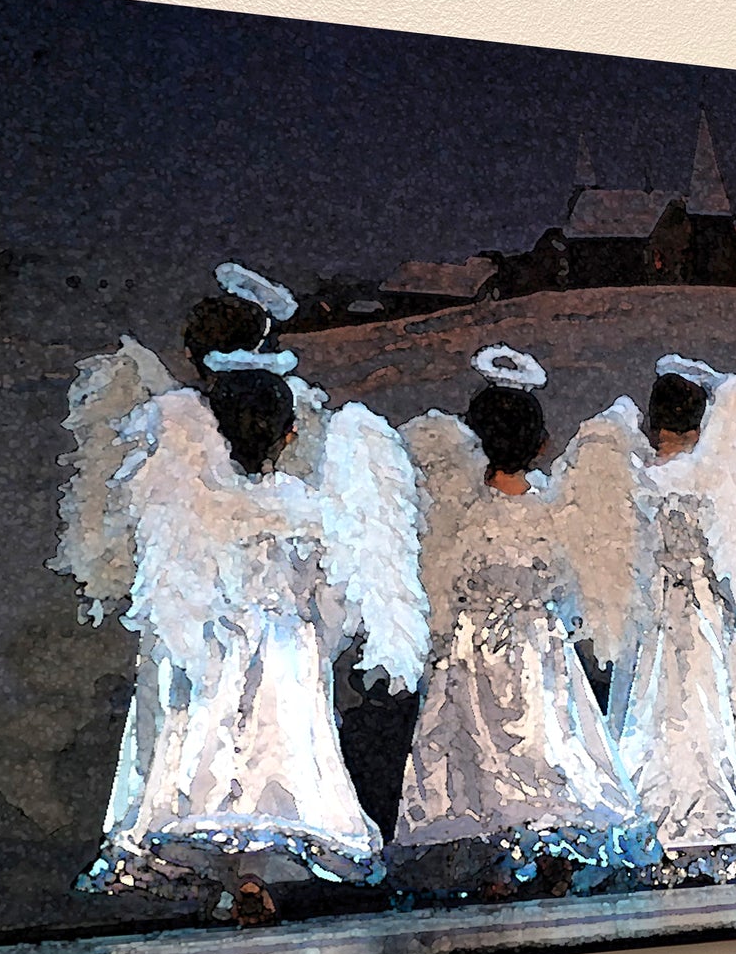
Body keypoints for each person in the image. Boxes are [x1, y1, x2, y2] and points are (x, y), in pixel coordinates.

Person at [66, 347, 429, 918]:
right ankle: (253, 878)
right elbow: (330, 595)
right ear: (289, 437)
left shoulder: (200, 507)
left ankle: (237, 880)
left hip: (213, 647)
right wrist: (317, 640)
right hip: (285, 652)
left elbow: (170, 575)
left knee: (213, 758)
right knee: (276, 762)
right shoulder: (307, 509)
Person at [387, 346, 662, 898]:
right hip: (537, 649)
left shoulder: (457, 511)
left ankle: (498, 866)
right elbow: (567, 582)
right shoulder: (555, 508)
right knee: (548, 749)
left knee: (476, 752)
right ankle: (545, 854)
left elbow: (441, 577)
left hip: (471, 653)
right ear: (541, 442)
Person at [611, 357, 736, 884]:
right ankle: (716, 825)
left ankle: (653, 827)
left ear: (652, 420)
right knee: (708, 711)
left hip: (655, 620)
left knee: (654, 711)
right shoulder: (717, 481)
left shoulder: (634, 478)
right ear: (700, 422)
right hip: (707, 618)